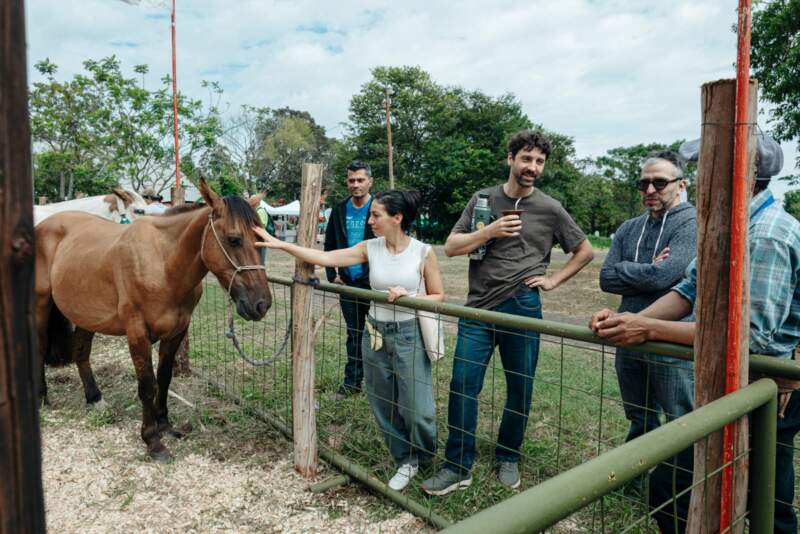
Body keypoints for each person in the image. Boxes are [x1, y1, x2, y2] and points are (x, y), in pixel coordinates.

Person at [590, 132, 799, 533]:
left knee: (764, 504)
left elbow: (752, 337)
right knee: (693, 488)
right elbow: (688, 290)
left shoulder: (766, 234)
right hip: (733, 383)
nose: (700, 178)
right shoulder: (728, 224)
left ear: (742, 172)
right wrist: (629, 323)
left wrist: (646, 326)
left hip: (766, 389)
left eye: (710, 164)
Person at [422, 129, 594, 495]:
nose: (533, 167)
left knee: (520, 388)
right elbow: (451, 246)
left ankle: (508, 456)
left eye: (540, 161)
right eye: (526, 158)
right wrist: (490, 231)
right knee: (463, 385)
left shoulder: (550, 208)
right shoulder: (483, 199)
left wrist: (553, 280)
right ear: (510, 159)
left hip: (523, 306)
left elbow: (585, 251)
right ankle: (457, 466)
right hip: (478, 309)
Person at [253, 190, 443, 491]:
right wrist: (279, 244)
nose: (370, 221)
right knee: (382, 402)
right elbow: (326, 257)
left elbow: (438, 295)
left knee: (417, 408)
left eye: (376, 215)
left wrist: (409, 296)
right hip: (375, 333)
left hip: (409, 334)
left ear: (397, 218)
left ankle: (425, 453)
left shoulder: (423, 252)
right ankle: (404, 459)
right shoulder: (371, 247)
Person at [599, 151, 697, 447]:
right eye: (644, 183)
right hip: (627, 336)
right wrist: (649, 269)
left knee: (680, 419)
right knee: (639, 416)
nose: (650, 190)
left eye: (660, 182)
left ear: (681, 185)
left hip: (670, 342)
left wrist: (627, 269)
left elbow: (664, 276)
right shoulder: (629, 227)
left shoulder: (692, 223)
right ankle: (637, 469)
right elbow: (606, 278)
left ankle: (678, 475)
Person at [324, 161, 376, 400]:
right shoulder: (339, 210)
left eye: (360, 180)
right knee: (354, 334)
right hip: (348, 283)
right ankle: (352, 383)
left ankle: (379, 384)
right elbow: (329, 244)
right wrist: (332, 274)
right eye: (351, 180)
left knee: (378, 333)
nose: (355, 184)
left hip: (375, 283)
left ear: (370, 182)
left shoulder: (379, 208)